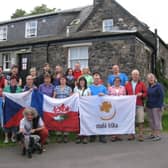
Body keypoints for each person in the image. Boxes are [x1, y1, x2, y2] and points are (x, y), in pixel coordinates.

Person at [125, 69, 147, 141]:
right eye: (134, 74)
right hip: (130, 105)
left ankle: (140, 135)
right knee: (131, 120)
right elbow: (125, 94)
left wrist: (142, 94)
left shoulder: (142, 84)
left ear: (138, 76)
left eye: (136, 74)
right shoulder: (127, 84)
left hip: (139, 104)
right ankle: (131, 135)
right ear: (132, 75)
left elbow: (146, 93)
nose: (135, 76)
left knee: (140, 120)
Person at [3, 75, 22, 143]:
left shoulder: (19, 89)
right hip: (8, 108)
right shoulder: (6, 89)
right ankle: (6, 137)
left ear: (17, 82)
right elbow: (3, 97)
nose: (13, 81)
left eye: (15, 80)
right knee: (7, 122)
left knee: (15, 122)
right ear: (10, 81)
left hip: (15, 109)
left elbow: (21, 98)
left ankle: (13, 137)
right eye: (12, 80)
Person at [89, 72, 107, 143]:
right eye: (95, 78)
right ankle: (93, 136)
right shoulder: (90, 87)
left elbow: (109, 96)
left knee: (102, 122)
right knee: (93, 122)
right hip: (93, 107)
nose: (96, 80)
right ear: (93, 79)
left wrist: (104, 94)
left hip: (102, 108)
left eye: (98, 78)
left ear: (100, 79)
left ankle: (102, 137)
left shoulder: (103, 87)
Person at [53, 76, 72, 143]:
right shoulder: (56, 88)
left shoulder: (69, 88)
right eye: (61, 79)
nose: (62, 80)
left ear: (66, 80)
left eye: (64, 79)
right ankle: (58, 135)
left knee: (65, 120)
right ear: (59, 81)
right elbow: (54, 97)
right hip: (58, 107)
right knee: (58, 120)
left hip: (66, 107)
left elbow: (71, 97)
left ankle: (65, 135)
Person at [146, 73, 164, 141]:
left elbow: (162, 96)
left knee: (157, 121)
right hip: (149, 106)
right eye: (149, 78)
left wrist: (160, 106)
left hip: (157, 106)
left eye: (151, 77)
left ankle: (158, 135)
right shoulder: (149, 87)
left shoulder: (158, 86)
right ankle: (153, 134)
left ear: (154, 78)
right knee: (151, 121)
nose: (150, 79)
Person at [108, 77, 126, 141]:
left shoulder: (123, 88)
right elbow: (107, 97)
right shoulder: (110, 88)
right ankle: (113, 135)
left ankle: (118, 135)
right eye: (116, 81)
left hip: (120, 107)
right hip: (112, 107)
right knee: (113, 120)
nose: (117, 82)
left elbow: (125, 97)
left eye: (118, 81)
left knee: (119, 120)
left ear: (120, 82)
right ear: (113, 82)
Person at [74, 77, 91, 144]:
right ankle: (78, 136)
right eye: (81, 81)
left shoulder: (88, 89)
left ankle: (85, 136)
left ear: (85, 82)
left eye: (83, 81)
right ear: (79, 82)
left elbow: (90, 97)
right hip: (78, 107)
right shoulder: (76, 88)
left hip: (85, 108)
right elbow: (74, 97)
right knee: (78, 122)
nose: (82, 82)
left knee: (85, 121)